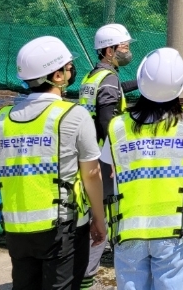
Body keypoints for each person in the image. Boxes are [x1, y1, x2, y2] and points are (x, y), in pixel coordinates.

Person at [0, 36, 107, 290]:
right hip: (62, 228)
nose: (71, 70)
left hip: (16, 226)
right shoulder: (73, 115)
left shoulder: (2, 120)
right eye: (67, 67)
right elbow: (91, 174)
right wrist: (99, 218)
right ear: (56, 76)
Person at [101, 48, 183, 290]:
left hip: (128, 227)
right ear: (180, 85)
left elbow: (113, 174)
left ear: (141, 82)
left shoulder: (118, 126)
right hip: (175, 228)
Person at [78, 23, 139, 289]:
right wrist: (115, 157)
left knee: (92, 213)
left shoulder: (92, 76)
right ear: (109, 50)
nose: (127, 51)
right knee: (104, 216)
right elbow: (106, 118)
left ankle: (82, 272)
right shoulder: (109, 79)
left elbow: (115, 91)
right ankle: (87, 277)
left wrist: (140, 81)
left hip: (86, 153)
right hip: (103, 157)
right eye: (124, 47)